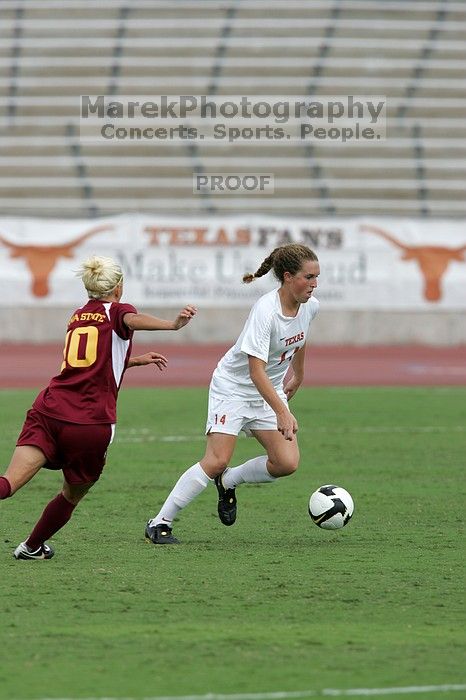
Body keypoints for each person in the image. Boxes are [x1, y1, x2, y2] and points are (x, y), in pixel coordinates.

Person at [0, 255, 196, 560]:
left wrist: (131, 361)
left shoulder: (78, 316)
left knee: (8, 484)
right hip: (88, 422)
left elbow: (89, 363)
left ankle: (34, 548)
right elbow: (131, 320)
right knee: (72, 493)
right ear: (118, 287)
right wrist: (172, 325)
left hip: (49, 409)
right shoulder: (118, 310)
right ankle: (31, 546)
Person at [145, 243, 320, 544]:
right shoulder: (266, 311)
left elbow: (300, 339)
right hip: (234, 388)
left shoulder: (310, 305)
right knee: (216, 460)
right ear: (289, 277)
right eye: (309, 277)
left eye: (318, 277)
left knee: (286, 463)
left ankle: (229, 482)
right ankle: (160, 522)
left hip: (269, 390)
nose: (315, 284)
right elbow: (255, 371)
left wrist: (299, 375)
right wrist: (281, 410)